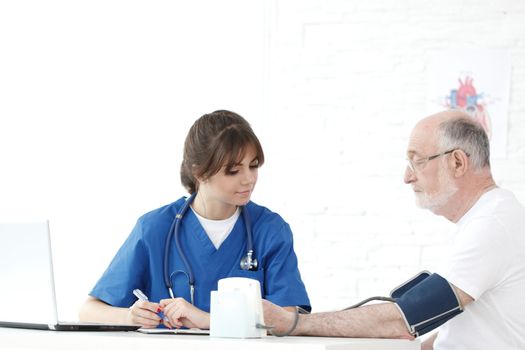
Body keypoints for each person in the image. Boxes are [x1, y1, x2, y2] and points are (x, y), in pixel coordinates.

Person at [262, 110, 525, 349]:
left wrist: (294, 323)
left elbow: (406, 318)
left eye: (417, 161)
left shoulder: (492, 224)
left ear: (457, 162)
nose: (407, 176)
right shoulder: (489, 218)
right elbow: (465, 327)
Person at [79, 109, 310, 329]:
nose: (249, 179)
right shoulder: (155, 228)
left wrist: (207, 319)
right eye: (233, 171)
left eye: (253, 166)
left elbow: (286, 320)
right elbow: (89, 310)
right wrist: (130, 316)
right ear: (199, 172)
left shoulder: (269, 230)